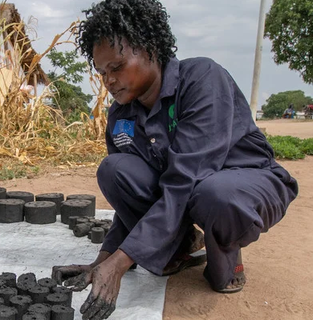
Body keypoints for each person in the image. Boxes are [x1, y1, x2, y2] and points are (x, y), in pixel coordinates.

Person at [51, 0, 298, 319]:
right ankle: (180, 246)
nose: (108, 81)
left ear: (151, 48)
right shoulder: (121, 115)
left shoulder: (201, 79)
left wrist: (121, 264)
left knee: (215, 193)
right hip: (187, 189)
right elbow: (128, 204)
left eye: (116, 67)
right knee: (114, 170)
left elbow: (184, 182)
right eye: (101, 72)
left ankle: (226, 260)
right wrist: (103, 259)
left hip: (245, 185)